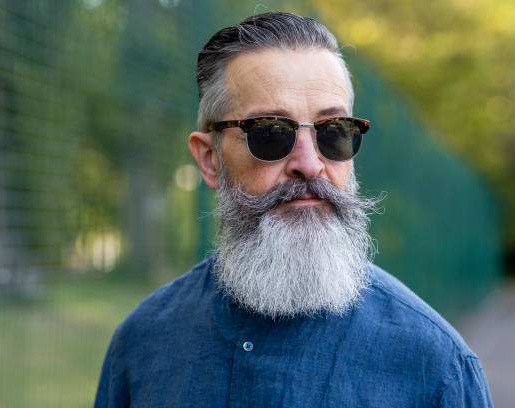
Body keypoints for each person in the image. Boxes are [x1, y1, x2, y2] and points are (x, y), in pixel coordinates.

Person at [94, 12, 493, 407]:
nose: (311, 163)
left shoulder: (435, 366)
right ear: (209, 159)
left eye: (333, 131)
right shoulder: (142, 344)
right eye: (270, 132)